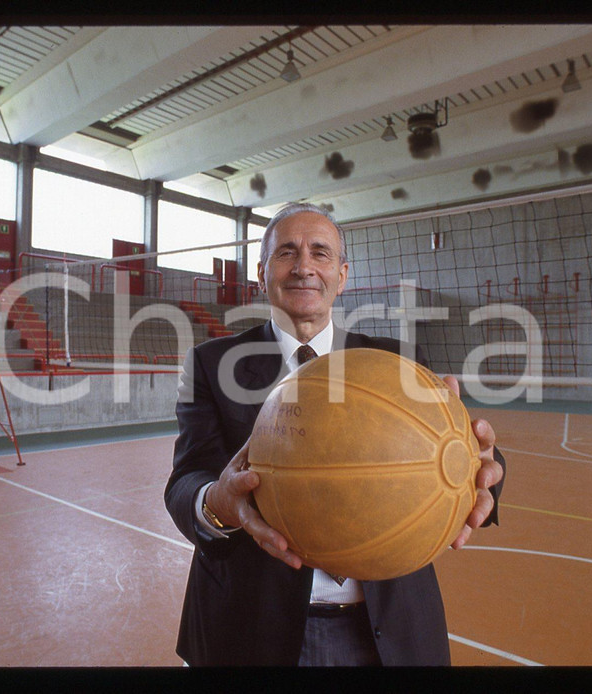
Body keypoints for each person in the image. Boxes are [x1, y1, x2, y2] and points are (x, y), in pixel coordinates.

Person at [164, 202, 505, 666]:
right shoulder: (211, 363)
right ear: (261, 272)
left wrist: (487, 466)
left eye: (320, 253)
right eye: (287, 252)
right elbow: (184, 483)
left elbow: (462, 452)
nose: (304, 266)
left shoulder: (396, 360)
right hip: (250, 629)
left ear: (341, 275)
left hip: (388, 633)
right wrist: (217, 502)